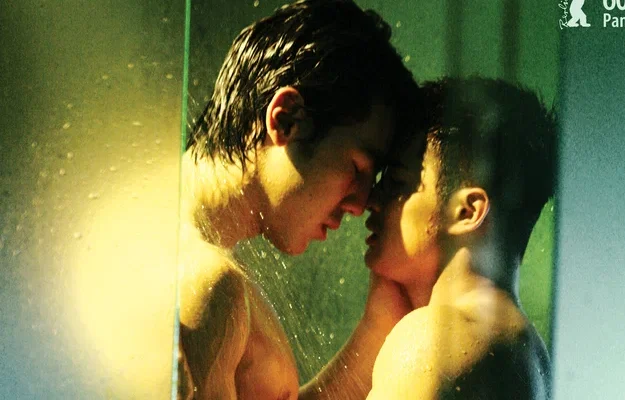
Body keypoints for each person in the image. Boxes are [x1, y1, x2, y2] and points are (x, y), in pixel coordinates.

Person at [177, 1, 421, 399]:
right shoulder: (209, 284)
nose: (360, 205)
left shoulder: (191, 251)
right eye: (358, 168)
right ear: (286, 119)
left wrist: (376, 327)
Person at [364, 77, 555, 399]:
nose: (371, 198)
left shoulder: (434, 340)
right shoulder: (532, 357)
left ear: (467, 212)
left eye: (396, 181)